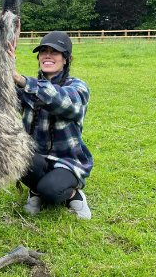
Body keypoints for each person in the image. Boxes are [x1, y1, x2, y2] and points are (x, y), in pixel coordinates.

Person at [9, 29, 93, 219]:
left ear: (66, 59)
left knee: (51, 190)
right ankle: (36, 191)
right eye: (43, 51)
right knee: (16, 158)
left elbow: (59, 100)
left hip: (68, 161)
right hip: (38, 157)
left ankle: (73, 193)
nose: (47, 55)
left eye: (54, 52)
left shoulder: (78, 87)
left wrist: (21, 80)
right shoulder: (28, 87)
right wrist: (3, 59)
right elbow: (2, 98)